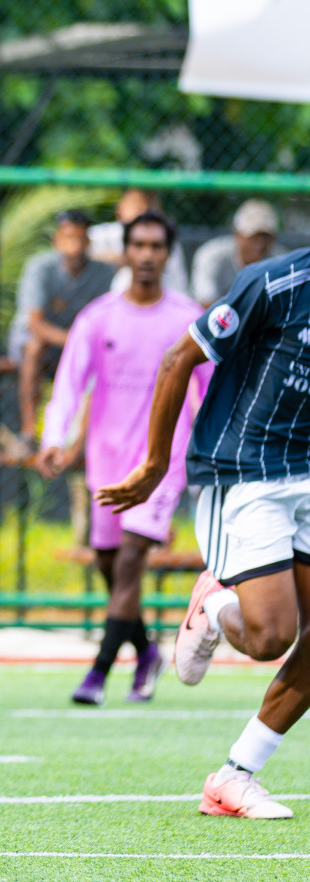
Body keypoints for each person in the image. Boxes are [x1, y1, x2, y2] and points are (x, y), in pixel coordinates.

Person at [98, 239, 310, 819]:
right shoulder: (273, 283)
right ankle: (215, 604)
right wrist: (153, 466)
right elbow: (177, 360)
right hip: (244, 472)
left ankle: (235, 777)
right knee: (270, 638)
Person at [35, 212, 208, 706]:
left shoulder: (185, 319)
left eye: (157, 246)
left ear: (167, 255)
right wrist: (53, 438)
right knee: (110, 564)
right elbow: (69, 385)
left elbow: (211, 388)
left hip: (162, 461)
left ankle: (97, 674)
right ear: (126, 253)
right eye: (140, 246)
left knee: (131, 558)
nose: (148, 255)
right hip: (105, 459)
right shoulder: (98, 317)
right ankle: (146, 652)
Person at [15, 210, 116, 444]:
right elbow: (35, 323)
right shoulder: (40, 268)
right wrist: (75, 341)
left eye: (80, 238)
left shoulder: (103, 272)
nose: (74, 246)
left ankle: (92, 435)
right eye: (68, 238)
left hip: (82, 347)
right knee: (33, 347)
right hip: (46, 345)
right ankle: (29, 433)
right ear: (56, 241)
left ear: (88, 241)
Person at [90, 188, 188, 296]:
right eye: (133, 204)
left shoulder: (163, 237)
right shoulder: (108, 232)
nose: (140, 209)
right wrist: (118, 258)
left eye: (144, 204)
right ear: (119, 209)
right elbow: (79, 242)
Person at [191, 200, 285, 307]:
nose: (260, 243)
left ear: (275, 238)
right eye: (253, 236)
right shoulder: (212, 256)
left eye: (266, 236)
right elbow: (205, 303)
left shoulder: (281, 261)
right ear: (237, 234)